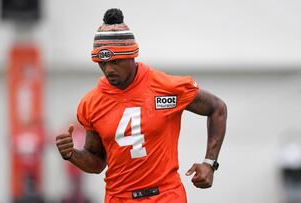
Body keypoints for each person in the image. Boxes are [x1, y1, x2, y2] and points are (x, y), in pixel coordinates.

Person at [56, 8, 227, 203]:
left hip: (165, 196)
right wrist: (71, 154)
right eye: (102, 63)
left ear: (132, 55)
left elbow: (217, 108)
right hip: (119, 197)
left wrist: (209, 163)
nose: (108, 69)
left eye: (115, 61)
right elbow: (96, 162)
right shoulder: (91, 103)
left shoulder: (166, 87)